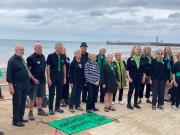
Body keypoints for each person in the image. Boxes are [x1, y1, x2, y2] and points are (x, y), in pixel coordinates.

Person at [6, 45, 38, 127]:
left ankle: (20, 118)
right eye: (22, 50)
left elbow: (27, 70)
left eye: (23, 50)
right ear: (16, 50)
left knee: (23, 103)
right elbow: (9, 75)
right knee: (17, 103)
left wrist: (33, 79)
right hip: (17, 86)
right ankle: (16, 121)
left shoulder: (21, 59)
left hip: (25, 85)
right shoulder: (12, 61)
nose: (23, 51)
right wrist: (11, 86)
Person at [26, 43, 48, 120]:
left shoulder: (43, 57)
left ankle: (39, 110)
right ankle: (30, 112)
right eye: (38, 48)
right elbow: (28, 70)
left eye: (41, 48)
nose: (40, 49)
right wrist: (33, 79)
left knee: (40, 96)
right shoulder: (30, 58)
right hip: (33, 81)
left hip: (42, 80)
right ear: (34, 49)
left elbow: (44, 68)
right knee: (32, 97)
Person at [46, 43, 66, 115]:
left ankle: (57, 107)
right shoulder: (50, 56)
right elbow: (47, 67)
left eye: (61, 48)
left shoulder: (63, 56)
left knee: (59, 92)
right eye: (59, 48)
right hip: (52, 77)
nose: (60, 49)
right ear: (55, 48)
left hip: (60, 77)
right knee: (51, 93)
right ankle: (50, 109)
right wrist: (48, 78)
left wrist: (65, 77)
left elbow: (64, 66)